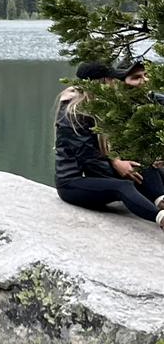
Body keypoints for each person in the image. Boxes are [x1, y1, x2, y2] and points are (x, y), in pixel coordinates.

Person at [55, 61, 164, 228]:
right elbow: (90, 161)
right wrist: (119, 168)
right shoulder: (73, 115)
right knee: (123, 186)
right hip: (72, 183)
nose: (115, 84)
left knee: (143, 166)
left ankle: (161, 200)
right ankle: (161, 218)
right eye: (111, 80)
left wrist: (122, 163)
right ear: (102, 82)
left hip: (97, 172)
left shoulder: (99, 106)